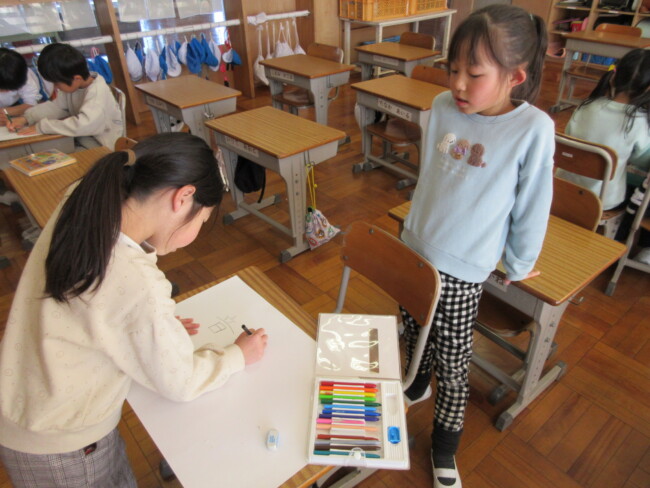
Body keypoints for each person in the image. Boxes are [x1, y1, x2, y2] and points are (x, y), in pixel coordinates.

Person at [0, 132, 268, 487]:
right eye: (201, 220)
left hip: (29, 404)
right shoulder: (136, 281)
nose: (195, 233)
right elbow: (180, 381)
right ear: (183, 197)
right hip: (64, 442)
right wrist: (237, 355)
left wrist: (149, 324)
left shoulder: (86, 198)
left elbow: (101, 304)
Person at [399, 5, 554, 488]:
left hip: (463, 270)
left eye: (474, 73)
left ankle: (444, 446)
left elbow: (533, 204)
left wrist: (520, 262)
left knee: (453, 362)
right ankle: (414, 384)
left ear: (515, 77)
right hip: (415, 247)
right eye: (453, 70)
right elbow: (431, 178)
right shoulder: (443, 106)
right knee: (412, 327)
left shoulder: (532, 129)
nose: (459, 84)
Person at [556, 49, 650, 213]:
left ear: (613, 77)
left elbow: (571, 136)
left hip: (562, 188)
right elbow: (643, 162)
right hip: (601, 201)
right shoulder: (639, 122)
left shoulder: (585, 106)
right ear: (647, 89)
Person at [5, 43, 123, 150]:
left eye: (57, 83)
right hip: (82, 138)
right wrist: (27, 118)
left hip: (102, 146)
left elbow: (84, 125)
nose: (56, 87)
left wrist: (42, 127)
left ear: (76, 78)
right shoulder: (74, 85)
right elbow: (56, 107)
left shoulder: (96, 93)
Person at [0, 48, 42, 121]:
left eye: (11, 88)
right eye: (2, 89)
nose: (7, 92)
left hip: (16, 103)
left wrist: (5, 112)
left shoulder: (21, 73)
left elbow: (32, 103)